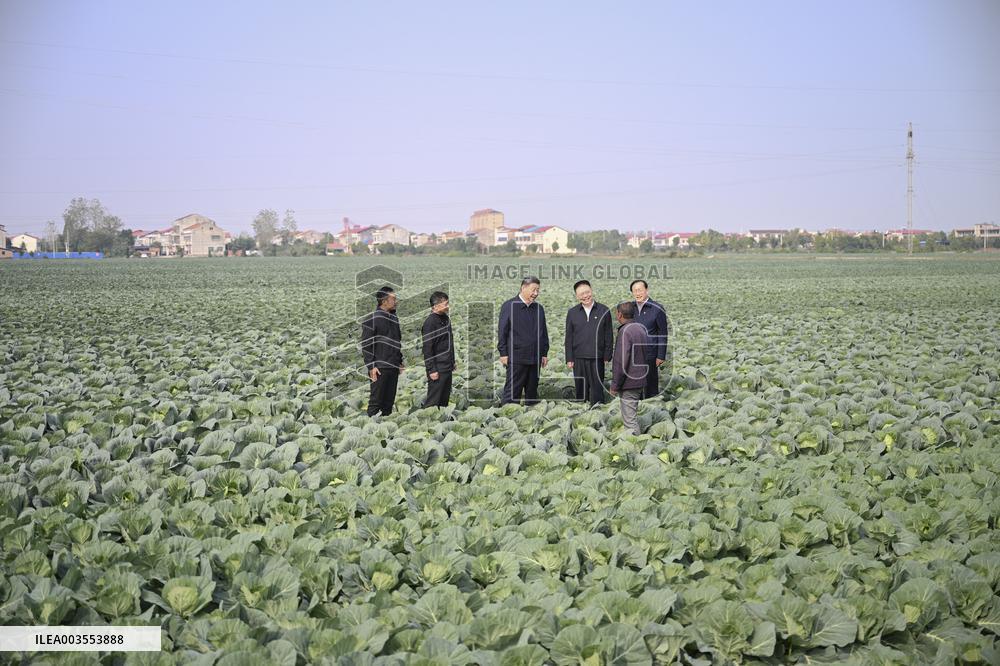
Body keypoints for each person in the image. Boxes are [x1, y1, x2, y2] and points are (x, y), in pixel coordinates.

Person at [498, 276, 549, 405]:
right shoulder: (509, 306)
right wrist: (503, 353)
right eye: (533, 290)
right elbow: (502, 331)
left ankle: (531, 416)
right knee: (512, 392)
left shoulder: (539, 308)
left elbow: (543, 333)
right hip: (517, 357)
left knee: (532, 391)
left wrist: (544, 353)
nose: (536, 293)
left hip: (535, 357)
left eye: (538, 290)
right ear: (523, 288)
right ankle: (507, 418)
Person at [564, 280, 614, 405]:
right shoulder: (572, 312)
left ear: (591, 291)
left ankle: (598, 410)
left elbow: (608, 334)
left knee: (597, 388)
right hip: (578, 357)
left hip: (597, 357)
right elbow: (569, 336)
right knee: (581, 388)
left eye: (587, 292)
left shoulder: (604, 310)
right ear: (577, 296)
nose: (585, 296)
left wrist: (607, 355)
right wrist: (569, 358)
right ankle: (581, 409)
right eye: (581, 294)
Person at [361, 285, 404, 416]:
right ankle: (369, 431)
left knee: (388, 402)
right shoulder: (372, 319)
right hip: (380, 367)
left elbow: (396, 340)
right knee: (376, 401)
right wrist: (371, 366)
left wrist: (400, 361)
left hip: (393, 366)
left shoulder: (394, 318)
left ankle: (386, 426)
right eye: (393, 299)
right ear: (384, 301)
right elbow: (366, 345)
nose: (396, 301)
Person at [609, 301, 650, 436]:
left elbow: (622, 361)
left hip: (629, 382)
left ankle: (636, 450)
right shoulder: (640, 328)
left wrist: (615, 385)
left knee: (630, 421)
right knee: (632, 417)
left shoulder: (625, 331)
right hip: (640, 379)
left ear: (619, 314)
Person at [630, 279, 668, 399]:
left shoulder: (657, 308)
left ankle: (653, 404)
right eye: (634, 291)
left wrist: (660, 355)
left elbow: (663, 333)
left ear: (646, 290)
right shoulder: (631, 308)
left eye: (640, 290)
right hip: (634, 353)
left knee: (651, 384)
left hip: (650, 353)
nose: (637, 293)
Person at [421, 291, 456, 407]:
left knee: (444, 399)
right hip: (437, 368)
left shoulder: (446, 319)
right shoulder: (430, 323)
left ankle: (441, 421)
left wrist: (452, 361)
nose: (448, 306)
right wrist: (432, 370)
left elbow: (449, 342)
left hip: (447, 366)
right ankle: (429, 422)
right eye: (445, 304)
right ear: (435, 306)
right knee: (433, 400)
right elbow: (428, 349)